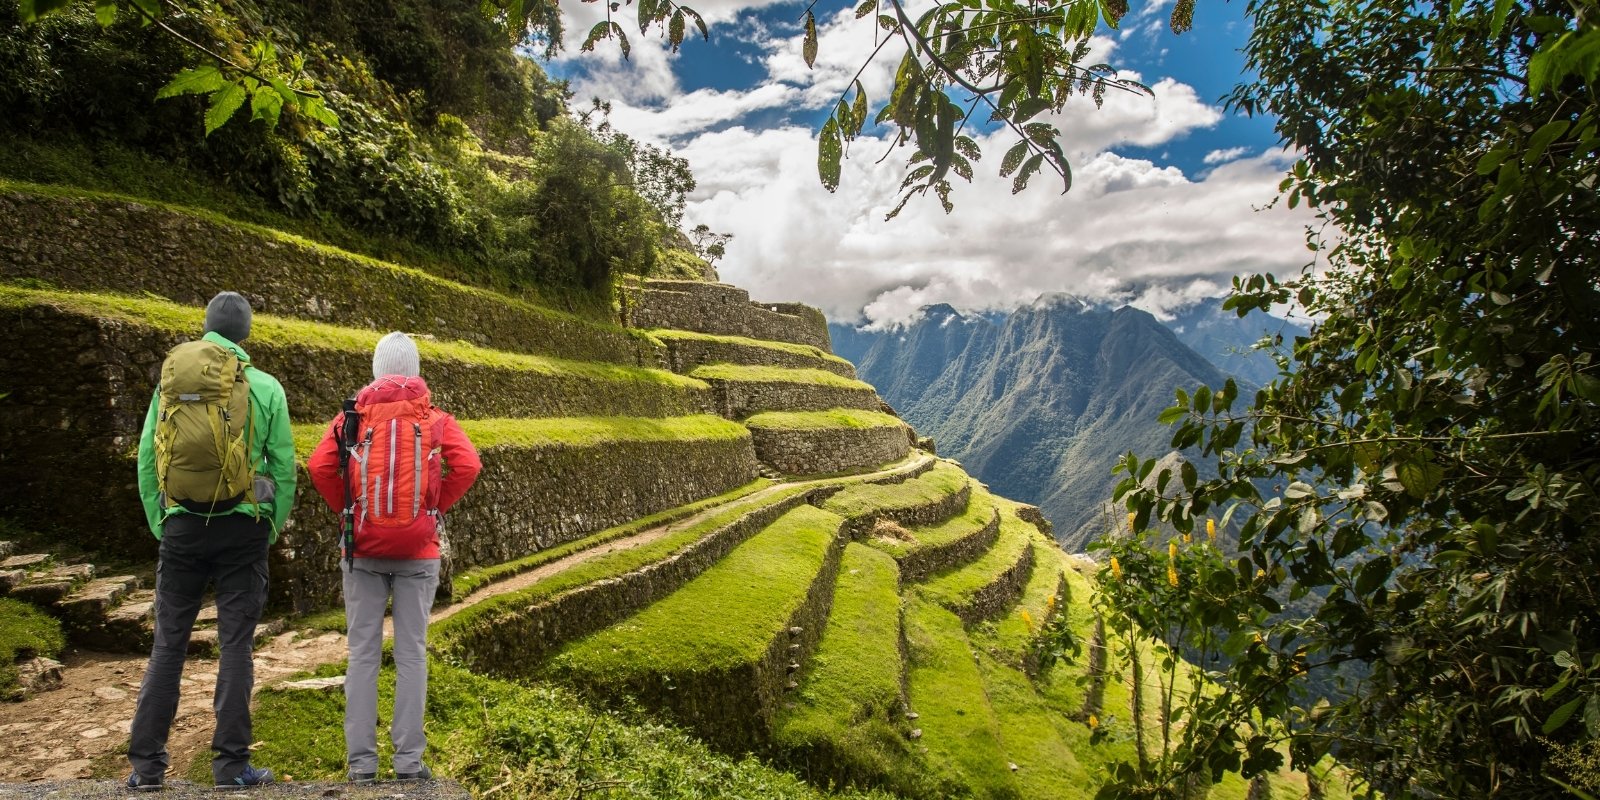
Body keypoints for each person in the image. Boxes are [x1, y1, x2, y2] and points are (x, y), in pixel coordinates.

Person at [127, 291, 296, 790]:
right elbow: (283, 470)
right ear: (246, 334)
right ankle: (230, 767)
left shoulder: (171, 386)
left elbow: (146, 460)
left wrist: (164, 521)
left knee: (168, 645)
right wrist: (268, 525)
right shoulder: (264, 387)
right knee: (236, 647)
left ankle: (146, 767)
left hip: (181, 525)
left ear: (206, 328)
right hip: (242, 529)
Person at [307, 331, 481, 784]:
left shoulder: (351, 418)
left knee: (362, 654)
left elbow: (319, 467)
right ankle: (408, 763)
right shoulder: (436, 418)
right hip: (419, 550)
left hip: (362, 548)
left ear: (377, 371)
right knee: (412, 654)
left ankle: (362, 765)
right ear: (416, 371)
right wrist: (433, 506)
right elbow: (468, 465)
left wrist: (349, 509)